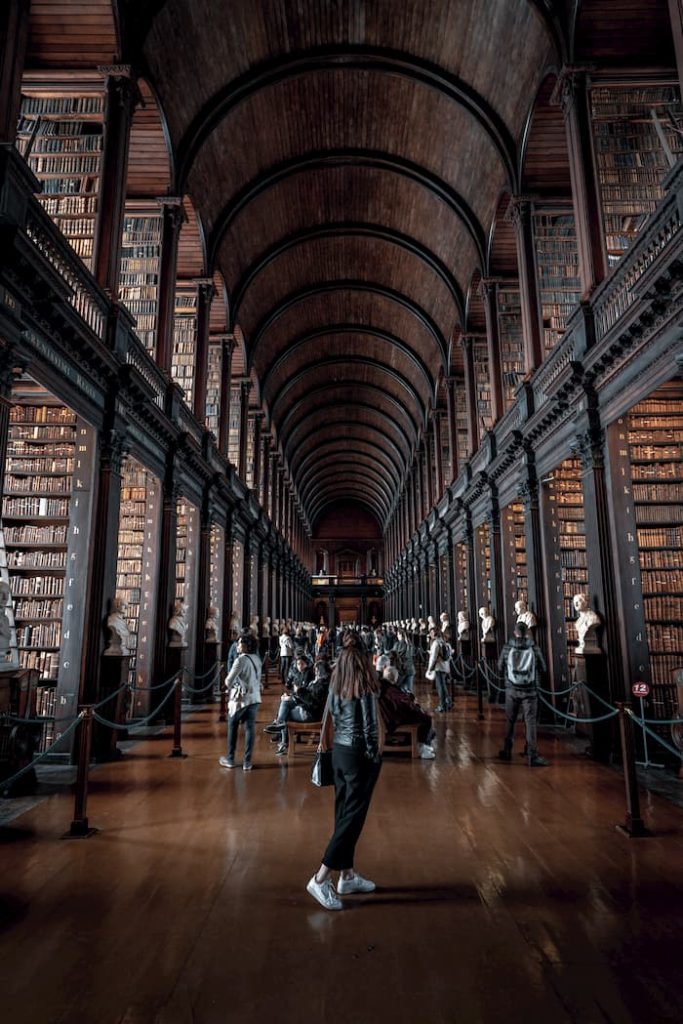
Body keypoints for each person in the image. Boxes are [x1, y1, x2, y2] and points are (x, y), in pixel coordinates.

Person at [306, 631, 382, 911]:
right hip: (360, 754)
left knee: (343, 813)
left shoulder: (336, 681)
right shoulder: (366, 681)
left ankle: (347, 875)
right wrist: (374, 757)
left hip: (339, 752)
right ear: (364, 655)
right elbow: (371, 727)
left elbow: (334, 717)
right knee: (353, 817)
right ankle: (321, 876)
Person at [497, 621, 549, 767]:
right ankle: (532, 755)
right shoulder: (534, 647)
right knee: (530, 722)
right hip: (530, 691)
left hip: (511, 690)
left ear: (515, 633)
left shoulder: (507, 648)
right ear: (527, 633)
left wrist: (509, 676)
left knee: (510, 721)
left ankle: (507, 751)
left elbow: (500, 666)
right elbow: (543, 668)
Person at [264, 657, 330, 754]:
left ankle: (281, 733)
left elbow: (312, 702)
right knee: (286, 702)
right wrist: (294, 696)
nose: (315, 672)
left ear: (319, 671)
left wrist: (298, 691)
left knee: (285, 710)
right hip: (307, 710)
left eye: (316, 670)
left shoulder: (321, 685)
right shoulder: (320, 683)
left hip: (310, 714)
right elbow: (307, 696)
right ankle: (280, 729)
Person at [219, 632, 262, 771]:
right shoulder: (257, 658)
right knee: (250, 728)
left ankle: (230, 758)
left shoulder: (241, 660)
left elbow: (228, 680)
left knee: (232, 725)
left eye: (240, 643)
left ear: (247, 646)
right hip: (255, 697)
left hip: (241, 699)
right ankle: (247, 762)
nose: (237, 646)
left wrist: (228, 685)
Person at [379, 666, 435, 758]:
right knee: (426, 718)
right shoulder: (390, 690)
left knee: (423, 715)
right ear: (395, 678)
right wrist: (414, 705)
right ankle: (421, 748)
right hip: (395, 719)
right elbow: (401, 705)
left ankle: (425, 744)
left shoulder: (385, 687)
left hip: (392, 716)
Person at [427, 628, 452, 712]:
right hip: (445, 666)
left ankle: (442, 706)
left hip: (439, 667)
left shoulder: (436, 643)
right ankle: (448, 702)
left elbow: (434, 657)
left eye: (431, 633)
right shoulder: (443, 642)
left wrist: (430, 668)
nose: (430, 634)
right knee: (443, 686)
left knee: (440, 687)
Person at [393, 627, 415, 692]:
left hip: (402, 669)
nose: (397, 635)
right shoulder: (410, 643)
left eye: (397, 634)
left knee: (399, 689)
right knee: (409, 690)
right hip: (410, 668)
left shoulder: (398, 644)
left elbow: (394, 654)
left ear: (400, 634)